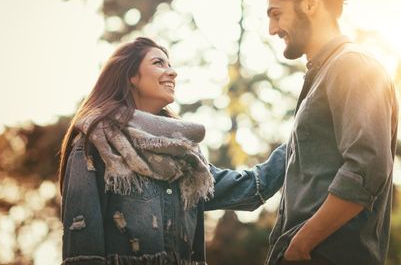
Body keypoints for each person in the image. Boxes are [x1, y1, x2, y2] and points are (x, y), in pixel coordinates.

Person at [59, 37, 285, 265]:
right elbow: (82, 253)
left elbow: (250, 188)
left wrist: (299, 140)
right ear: (131, 77)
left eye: (170, 64)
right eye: (159, 63)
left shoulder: (184, 156)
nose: (173, 72)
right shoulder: (96, 143)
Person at [264, 0, 399, 265]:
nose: (272, 29)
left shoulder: (352, 66)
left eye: (276, 14)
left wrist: (302, 244)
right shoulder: (325, 74)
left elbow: (367, 168)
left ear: (310, 3)